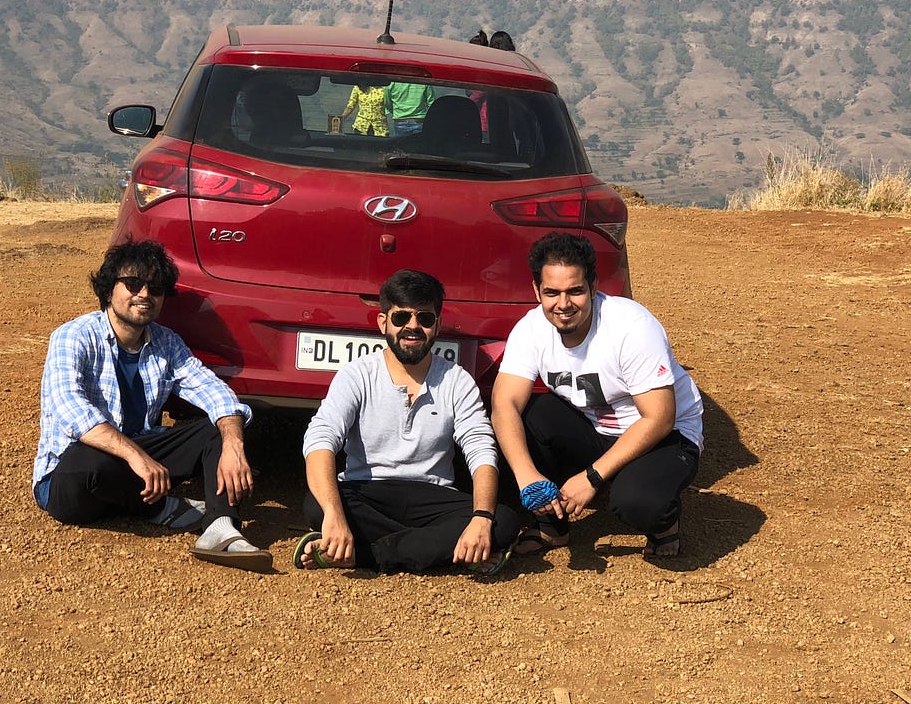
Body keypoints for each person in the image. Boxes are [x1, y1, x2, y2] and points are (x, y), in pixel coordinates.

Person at [33, 238, 269, 571]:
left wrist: (233, 444)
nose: (144, 294)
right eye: (133, 283)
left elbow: (213, 391)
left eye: (155, 288)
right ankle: (159, 508)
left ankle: (220, 527)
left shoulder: (166, 342)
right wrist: (137, 457)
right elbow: (71, 409)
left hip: (137, 463)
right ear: (109, 289)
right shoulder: (73, 336)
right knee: (93, 465)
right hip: (72, 477)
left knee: (219, 428)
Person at [491, 232, 703, 560]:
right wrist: (526, 475)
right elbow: (504, 403)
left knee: (639, 503)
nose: (563, 304)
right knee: (526, 417)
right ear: (536, 291)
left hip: (664, 435)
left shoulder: (631, 327)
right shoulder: (531, 329)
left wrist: (592, 478)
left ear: (593, 286)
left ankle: (664, 526)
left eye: (575, 291)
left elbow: (660, 418)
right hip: (596, 429)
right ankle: (552, 527)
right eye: (552, 292)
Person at [298, 269, 520, 575]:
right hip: (369, 491)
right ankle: (444, 550)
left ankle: (365, 555)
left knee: (501, 521)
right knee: (318, 504)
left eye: (424, 318)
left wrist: (481, 520)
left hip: (432, 495)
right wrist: (335, 516)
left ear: (437, 324)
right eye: (401, 317)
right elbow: (321, 440)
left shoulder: (457, 380)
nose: (413, 326)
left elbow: (481, 450)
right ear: (383, 322)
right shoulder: (357, 374)